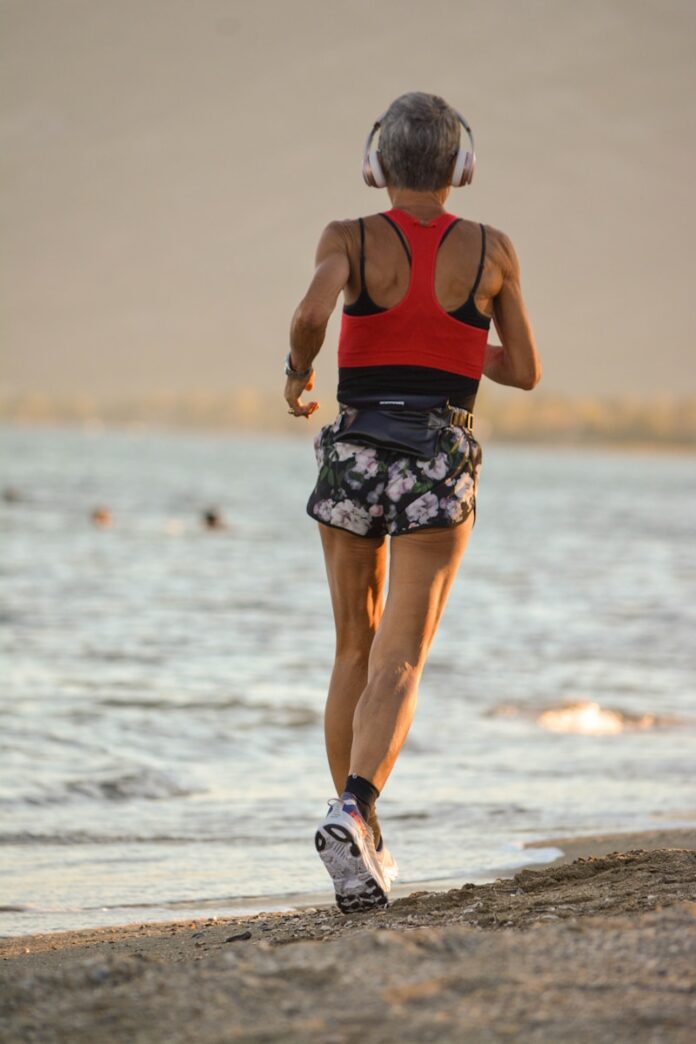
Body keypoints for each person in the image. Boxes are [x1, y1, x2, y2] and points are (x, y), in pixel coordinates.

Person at [284, 92, 540, 913]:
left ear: (377, 164)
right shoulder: (493, 249)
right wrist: (459, 338)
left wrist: (298, 374)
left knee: (352, 651)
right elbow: (525, 368)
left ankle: (356, 826)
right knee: (401, 656)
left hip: (356, 447)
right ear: (461, 168)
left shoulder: (349, 239)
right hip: (438, 455)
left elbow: (310, 313)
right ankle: (357, 812)